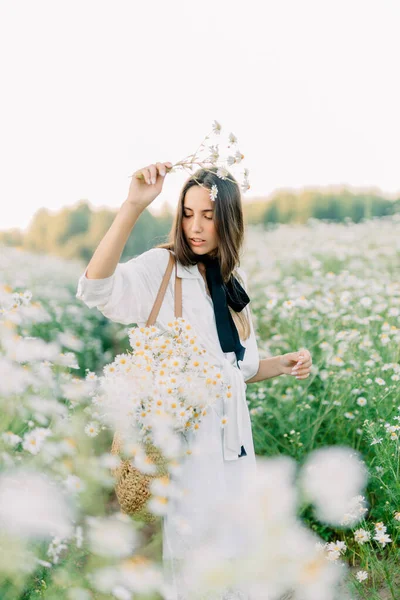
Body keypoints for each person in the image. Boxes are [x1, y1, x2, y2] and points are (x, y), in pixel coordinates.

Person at [75, 161, 312, 599]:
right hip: (189, 445)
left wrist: (284, 363)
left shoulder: (231, 283)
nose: (195, 227)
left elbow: (234, 370)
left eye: (208, 216)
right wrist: (133, 206)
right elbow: (95, 288)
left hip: (237, 450)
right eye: (187, 213)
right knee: (196, 558)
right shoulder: (162, 268)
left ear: (229, 222)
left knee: (239, 556)